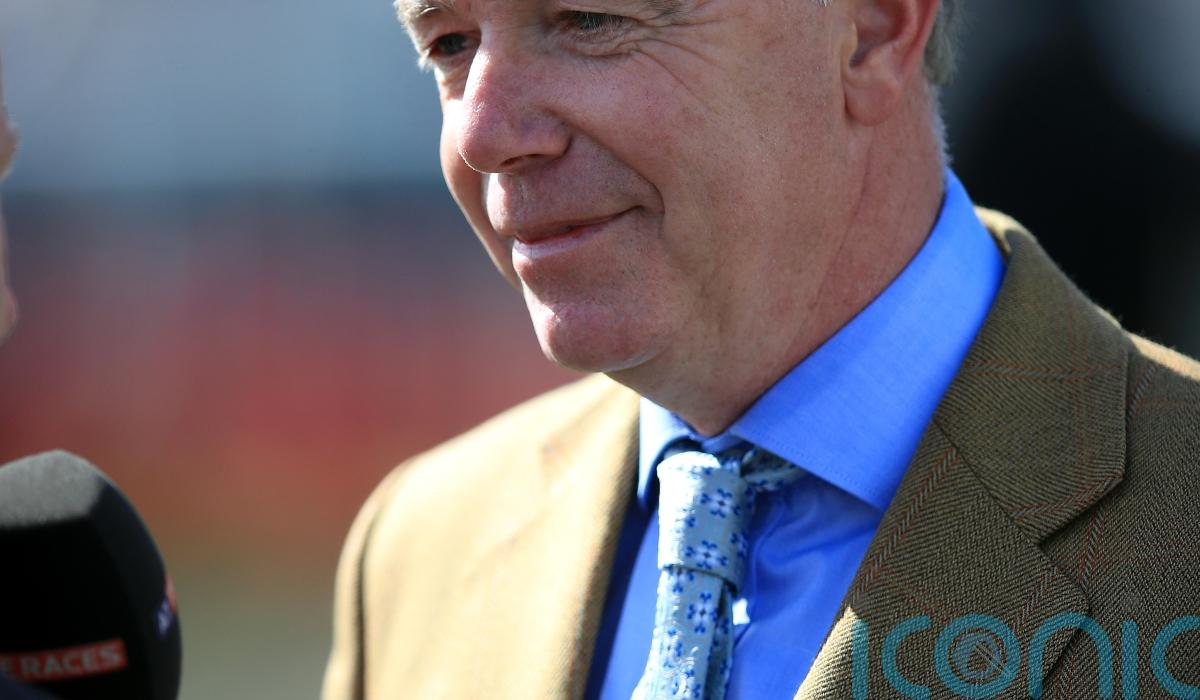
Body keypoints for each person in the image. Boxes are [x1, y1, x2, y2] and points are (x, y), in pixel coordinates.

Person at [324, 0, 1200, 697]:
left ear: (873, 30)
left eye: (588, 20)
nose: (482, 134)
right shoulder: (418, 550)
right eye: (449, 43)